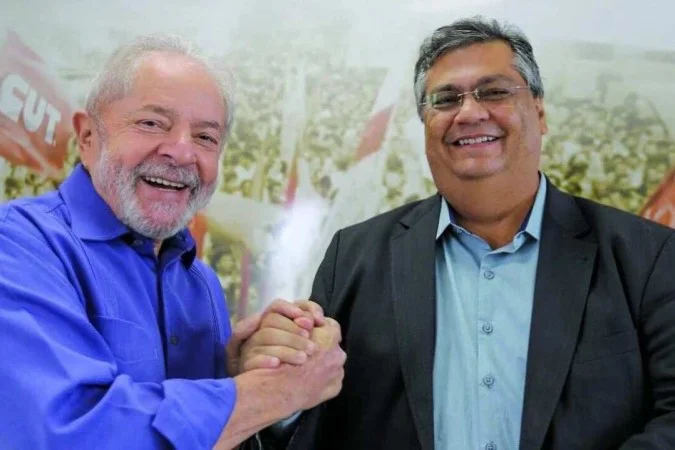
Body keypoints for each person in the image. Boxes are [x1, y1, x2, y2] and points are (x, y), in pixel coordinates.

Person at [245, 16, 675, 450]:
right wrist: (283, 391)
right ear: (425, 124)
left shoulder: (647, 257)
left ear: (539, 112)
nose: (469, 112)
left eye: (494, 91)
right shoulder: (354, 256)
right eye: (446, 99)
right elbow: (315, 423)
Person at [0, 35, 346, 450]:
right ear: (87, 137)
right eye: (152, 123)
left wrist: (248, 370)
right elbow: (68, 432)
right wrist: (277, 390)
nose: (182, 153)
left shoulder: (201, 283)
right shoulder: (18, 245)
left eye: (205, 137)